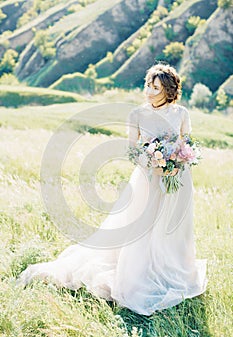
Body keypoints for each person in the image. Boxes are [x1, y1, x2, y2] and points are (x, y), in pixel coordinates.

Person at [16, 63, 208, 316]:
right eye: (148, 86)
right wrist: (154, 165)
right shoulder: (137, 114)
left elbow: (186, 143)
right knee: (144, 226)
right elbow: (132, 149)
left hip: (177, 180)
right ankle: (139, 273)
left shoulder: (181, 113)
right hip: (147, 179)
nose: (149, 91)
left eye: (156, 87)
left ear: (169, 90)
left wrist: (178, 163)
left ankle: (171, 269)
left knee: (173, 227)